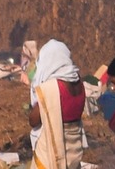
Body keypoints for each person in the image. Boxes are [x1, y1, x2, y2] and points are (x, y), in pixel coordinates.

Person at [28, 39, 86, 169]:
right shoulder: (79, 84)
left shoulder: (51, 88)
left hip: (51, 153)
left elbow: (34, 121)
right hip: (74, 149)